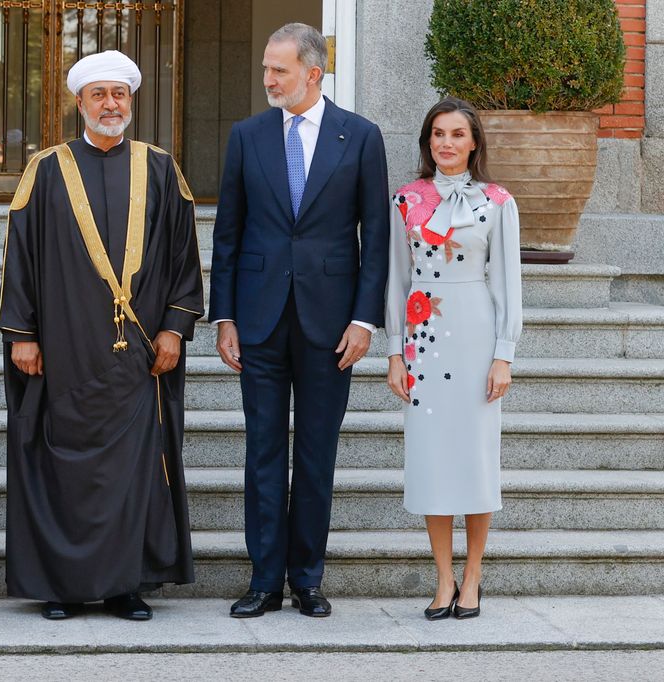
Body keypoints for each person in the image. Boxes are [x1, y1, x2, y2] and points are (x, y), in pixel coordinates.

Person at [0, 49, 203, 622]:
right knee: (64, 466)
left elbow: (186, 258)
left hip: (140, 357)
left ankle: (125, 586)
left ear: (130, 101)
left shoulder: (160, 167)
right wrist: (23, 334)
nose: (110, 104)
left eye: (120, 94)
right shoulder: (46, 168)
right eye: (99, 95)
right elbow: (20, 258)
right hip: (64, 349)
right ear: (79, 102)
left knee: (134, 470)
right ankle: (62, 586)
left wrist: (174, 329)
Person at [209, 23, 389, 618]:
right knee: (262, 452)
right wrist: (225, 315)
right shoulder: (247, 135)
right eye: (266, 67)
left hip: (330, 323)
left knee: (316, 453)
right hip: (257, 320)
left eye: (279, 70)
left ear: (314, 73)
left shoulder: (360, 137)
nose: (268, 79)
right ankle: (263, 581)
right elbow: (228, 231)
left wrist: (365, 319)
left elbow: (377, 238)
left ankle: (307, 578)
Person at [385, 96, 522, 620]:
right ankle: (442, 578)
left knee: (475, 460)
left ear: (474, 142)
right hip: (423, 338)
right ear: (427, 142)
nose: (446, 143)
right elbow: (396, 279)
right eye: (438, 134)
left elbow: (508, 282)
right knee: (431, 461)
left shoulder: (497, 201)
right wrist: (395, 352)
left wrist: (503, 355)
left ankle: (473, 576)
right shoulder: (404, 200)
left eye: (457, 134)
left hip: (476, 336)